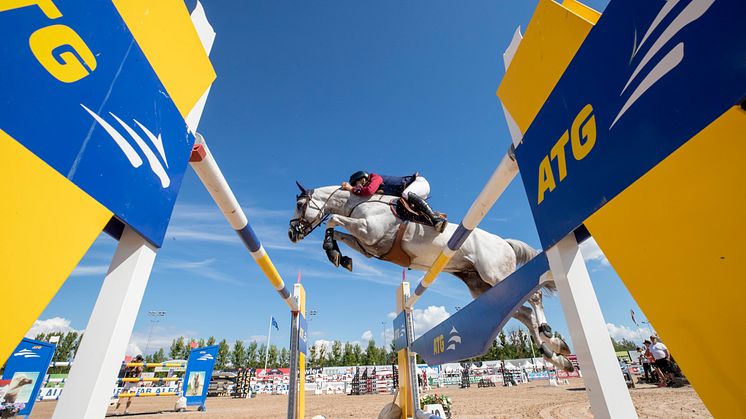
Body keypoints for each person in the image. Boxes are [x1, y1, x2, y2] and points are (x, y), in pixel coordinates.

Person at [341, 171, 447, 232]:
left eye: (356, 184)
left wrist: (351, 189)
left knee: (406, 194)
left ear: (362, 178)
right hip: (412, 193)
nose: (357, 186)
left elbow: (369, 190)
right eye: (354, 186)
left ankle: (436, 219)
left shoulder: (375, 177)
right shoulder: (375, 189)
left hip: (419, 183)